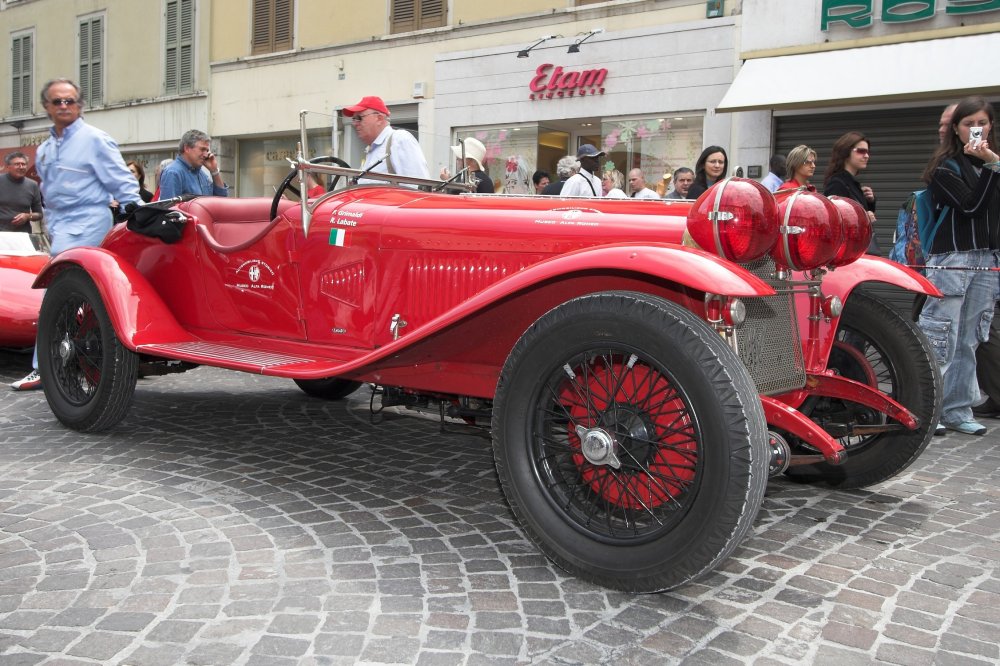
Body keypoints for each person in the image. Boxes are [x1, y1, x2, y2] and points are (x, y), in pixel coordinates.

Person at [12, 78, 141, 391]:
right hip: (62, 228)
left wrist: (139, 211)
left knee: (63, 295)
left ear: (79, 105)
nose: (65, 106)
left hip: (90, 221)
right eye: (58, 102)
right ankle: (71, 362)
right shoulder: (43, 150)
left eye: (70, 101)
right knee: (75, 297)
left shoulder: (95, 139)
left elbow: (121, 180)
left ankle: (47, 366)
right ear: (47, 107)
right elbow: (49, 195)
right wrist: (53, 227)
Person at [916, 96, 1000, 436]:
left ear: (991, 125)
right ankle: (927, 408)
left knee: (970, 337)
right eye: (968, 124)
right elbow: (970, 206)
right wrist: (992, 166)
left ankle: (958, 408)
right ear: (956, 129)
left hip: (987, 257)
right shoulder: (944, 167)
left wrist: (992, 164)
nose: (975, 130)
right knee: (940, 335)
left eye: (981, 123)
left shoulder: (992, 165)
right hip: (952, 257)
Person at [342, 96, 429, 183]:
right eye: (354, 119)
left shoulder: (399, 139)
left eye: (359, 118)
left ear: (379, 118)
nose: (355, 123)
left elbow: (418, 187)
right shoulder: (372, 150)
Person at [823, 131, 878, 253]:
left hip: (855, 252)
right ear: (846, 152)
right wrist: (863, 218)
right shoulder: (837, 183)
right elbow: (835, 223)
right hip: (847, 255)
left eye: (867, 152)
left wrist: (870, 201)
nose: (866, 156)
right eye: (861, 151)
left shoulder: (852, 183)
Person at [158, 129, 228, 199]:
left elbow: (221, 200)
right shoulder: (173, 173)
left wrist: (214, 171)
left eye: (207, 150)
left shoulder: (202, 174)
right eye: (202, 149)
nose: (206, 155)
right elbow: (168, 208)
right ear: (187, 148)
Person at [0, 152, 43, 233]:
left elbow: (39, 214)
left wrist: (28, 216)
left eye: (23, 164)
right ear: (8, 166)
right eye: (17, 164)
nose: (21, 167)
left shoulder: (33, 185)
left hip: (22, 235)